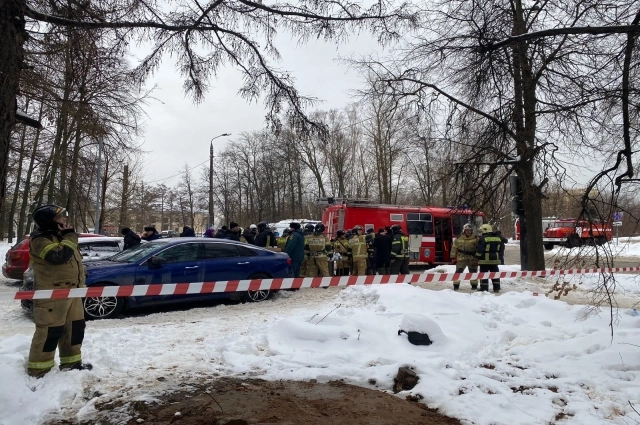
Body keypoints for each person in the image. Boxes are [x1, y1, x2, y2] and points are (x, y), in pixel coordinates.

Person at [27, 204, 92, 378]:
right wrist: (70, 237)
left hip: (73, 292)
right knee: (49, 332)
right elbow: (59, 257)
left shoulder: (61, 237)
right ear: (49, 221)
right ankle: (39, 370)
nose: (64, 220)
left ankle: (71, 363)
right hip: (52, 295)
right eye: (59, 218)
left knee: (75, 328)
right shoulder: (40, 240)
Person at [475, 223, 504, 292]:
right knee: (495, 274)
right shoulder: (497, 237)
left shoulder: (483, 238)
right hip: (495, 260)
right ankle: (496, 288)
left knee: (484, 275)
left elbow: (480, 249)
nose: (481, 233)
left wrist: (476, 257)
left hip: (484, 260)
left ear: (485, 230)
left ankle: (484, 288)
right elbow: (501, 248)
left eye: (482, 231)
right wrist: (499, 256)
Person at [450, 223, 479, 291]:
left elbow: (479, 248)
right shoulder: (459, 238)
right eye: (467, 230)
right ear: (464, 230)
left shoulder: (476, 238)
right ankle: (456, 286)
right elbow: (454, 248)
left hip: (472, 258)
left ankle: (474, 286)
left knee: (473, 272)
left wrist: (477, 257)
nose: (468, 231)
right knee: (458, 271)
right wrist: (452, 257)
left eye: (470, 230)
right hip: (461, 258)